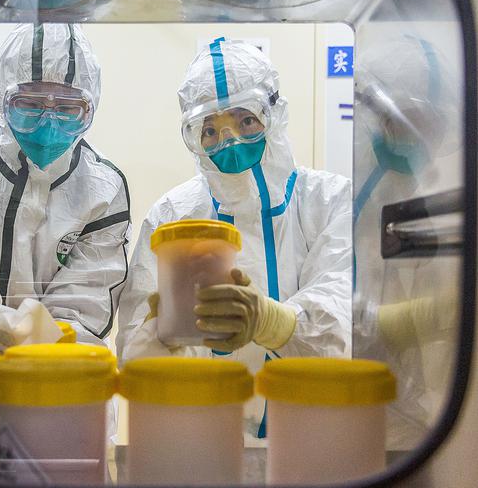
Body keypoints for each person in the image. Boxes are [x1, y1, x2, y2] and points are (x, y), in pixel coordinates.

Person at [117, 37, 352, 438]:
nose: (229, 141)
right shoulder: (173, 216)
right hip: (207, 443)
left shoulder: (331, 201)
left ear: (274, 115)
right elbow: (136, 361)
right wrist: (175, 338)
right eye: (210, 129)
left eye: (245, 120)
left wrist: (270, 321)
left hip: (315, 440)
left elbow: (348, 324)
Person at [0, 23, 131, 348]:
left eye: (68, 108)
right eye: (29, 104)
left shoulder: (103, 188)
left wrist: (42, 346)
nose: (48, 123)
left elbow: (85, 301)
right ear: (2, 99)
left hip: (54, 375)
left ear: (90, 109)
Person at [351, 35, 460, 449]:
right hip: (338, 397)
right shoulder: (340, 183)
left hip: (412, 413)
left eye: (433, 125)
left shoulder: (429, 193)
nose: (418, 138)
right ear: (372, 113)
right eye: (406, 118)